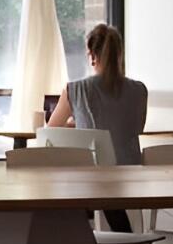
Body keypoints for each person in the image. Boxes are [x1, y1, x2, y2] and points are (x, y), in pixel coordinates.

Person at [47, 22, 147, 231]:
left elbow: (50, 132)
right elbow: (137, 128)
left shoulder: (76, 90)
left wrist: (75, 124)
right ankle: (125, 239)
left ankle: (94, 239)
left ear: (92, 56)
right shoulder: (139, 90)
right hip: (133, 175)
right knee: (105, 183)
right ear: (119, 54)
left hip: (92, 177)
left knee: (85, 179)